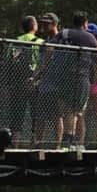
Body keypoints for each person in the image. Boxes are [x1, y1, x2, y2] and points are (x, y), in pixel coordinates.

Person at [60, 13, 97, 149]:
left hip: (64, 76)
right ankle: (70, 141)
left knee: (67, 110)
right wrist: (96, 74)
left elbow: (51, 47)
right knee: (77, 111)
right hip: (82, 77)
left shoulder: (65, 33)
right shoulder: (89, 37)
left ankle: (68, 140)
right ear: (84, 23)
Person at [0, 15, 43, 145]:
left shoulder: (15, 41)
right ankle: (35, 142)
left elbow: (8, 61)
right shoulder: (40, 42)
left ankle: (15, 143)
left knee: (17, 113)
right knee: (37, 113)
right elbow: (43, 62)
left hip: (17, 82)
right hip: (34, 82)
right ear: (34, 26)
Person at [35, 13, 73, 148]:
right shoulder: (44, 43)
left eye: (47, 23)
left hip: (57, 85)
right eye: (42, 23)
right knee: (40, 117)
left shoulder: (62, 39)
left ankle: (57, 145)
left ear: (55, 24)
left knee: (57, 116)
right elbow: (42, 64)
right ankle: (38, 145)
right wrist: (36, 78)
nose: (44, 26)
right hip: (44, 85)